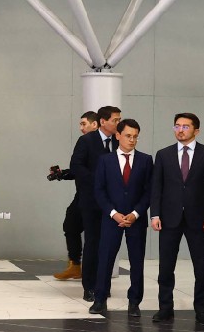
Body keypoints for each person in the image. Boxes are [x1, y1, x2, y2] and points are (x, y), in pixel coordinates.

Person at [151, 113, 204, 322]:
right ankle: (165, 307)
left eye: (185, 126)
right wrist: (155, 214)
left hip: (199, 219)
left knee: (201, 267)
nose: (180, 130)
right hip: (168, 217)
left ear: (196, 130)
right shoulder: (163, 155)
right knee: (166, 266)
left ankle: (201, 310)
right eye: (177, 126)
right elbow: (157, 187)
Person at [90, 120, 152, 315]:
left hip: (136, 220)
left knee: (137, 261)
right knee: (105, 259)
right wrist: (113, 213)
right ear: (118, 136)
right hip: (111, 219)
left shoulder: (145, 160)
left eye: (135, 136)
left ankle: (134, 302)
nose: (132, 140)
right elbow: (99, 190)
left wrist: (135, 214)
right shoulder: (105, 160)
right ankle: (100, 299)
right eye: (128, 136)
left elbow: (149, 191)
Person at [65, 106, 122, 302]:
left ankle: (103, 285)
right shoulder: (87, 140)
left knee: (109, 245)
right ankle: (89, 287)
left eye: (119, 120)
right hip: (91, 202)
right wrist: (98, 181)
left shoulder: (119, 141)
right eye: (115, 120)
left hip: (114, 203)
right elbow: (76, 166)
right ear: (103, 122)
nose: (118, 123)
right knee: (93, 243)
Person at [49, 111, 101, 280]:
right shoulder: (86, 142)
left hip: (96, 197)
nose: (81, 128)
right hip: (82, 195)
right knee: (71, 226)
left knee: (93, 235)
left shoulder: (100, 144)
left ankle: (91, 270)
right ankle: (75, 265)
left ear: (95, 124)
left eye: (83, 124)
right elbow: (80, 168)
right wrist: (63, 174)